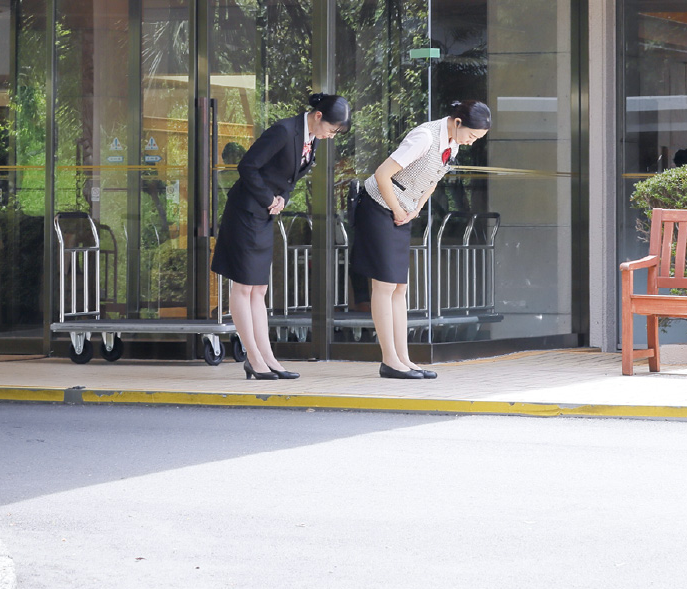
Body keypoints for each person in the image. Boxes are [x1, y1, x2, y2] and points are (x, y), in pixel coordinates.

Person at [210, 92, 350, 380]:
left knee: (259, 289)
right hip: (245, 212)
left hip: (264, 215)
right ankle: (253, 358)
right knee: (243, 287)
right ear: (318, 116)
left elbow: (289, 178)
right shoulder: (284, 130)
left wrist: (282, 198)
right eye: (332, 129)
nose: (332, 136)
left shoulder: (312, 139)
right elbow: (247, 166)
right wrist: (268, 198)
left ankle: (268, 357)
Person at [350, 98, 491, 379]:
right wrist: (398, 209)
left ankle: (403, 358)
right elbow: (382, 174)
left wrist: (416, 208)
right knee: (384, 285)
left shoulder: (452, 143)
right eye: (472, 136)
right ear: (458, 122)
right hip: (378, 206)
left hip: (402, 210)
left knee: (399, 287)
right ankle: (389, 360)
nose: (472, 142)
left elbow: (433, 180)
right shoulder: (425, 137)